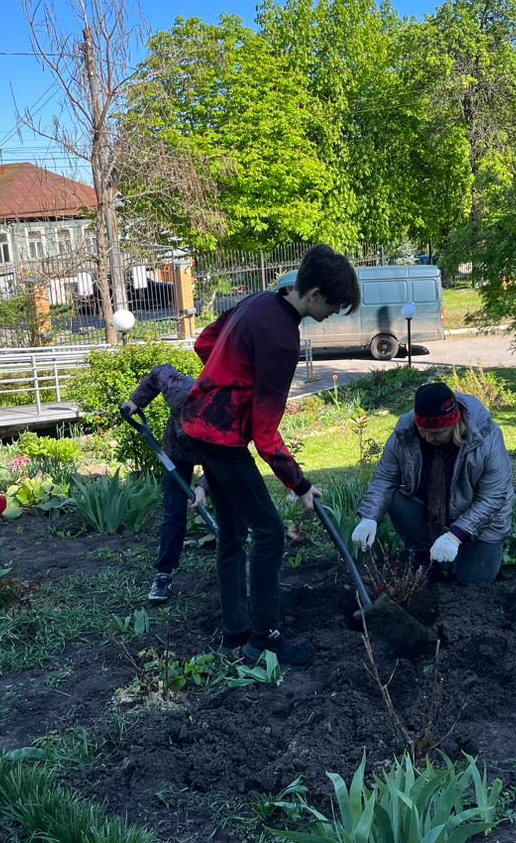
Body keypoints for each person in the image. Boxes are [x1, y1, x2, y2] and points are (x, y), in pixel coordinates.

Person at [181, 244, 360, 667]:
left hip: (201, 421)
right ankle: (264, 637)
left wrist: (229, 379)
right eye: (333, 304)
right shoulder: (281, 339)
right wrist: (299, 484)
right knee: (269, 531)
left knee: (232, 532)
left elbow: (206, 342)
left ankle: (235, 632)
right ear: (314, 293)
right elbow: (265, 435)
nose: (333, 312)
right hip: (221, 437)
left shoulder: (260, 300)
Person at [351, 382, 513, 584]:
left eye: (436, 433)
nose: (428, 437)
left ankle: (461, 553)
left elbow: (492, 498)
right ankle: (425, 555)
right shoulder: (406, 431)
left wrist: (455, 536)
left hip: (485, 522)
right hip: (431, 508)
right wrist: (369, 517)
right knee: (394, 497)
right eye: (423, 430)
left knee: (470, 585)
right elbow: (386, 477)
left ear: (454, 424)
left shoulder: (486, 439)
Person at [129, 363, 208, 604]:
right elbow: (156, 372)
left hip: (212, 451)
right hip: (175, 453)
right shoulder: (175, 387)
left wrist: (203, 487)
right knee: (173, 512)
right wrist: (136, 402)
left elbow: (224, 460)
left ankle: (233, 561)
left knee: (229, 505)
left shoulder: (218, 413)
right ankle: (163, 574)